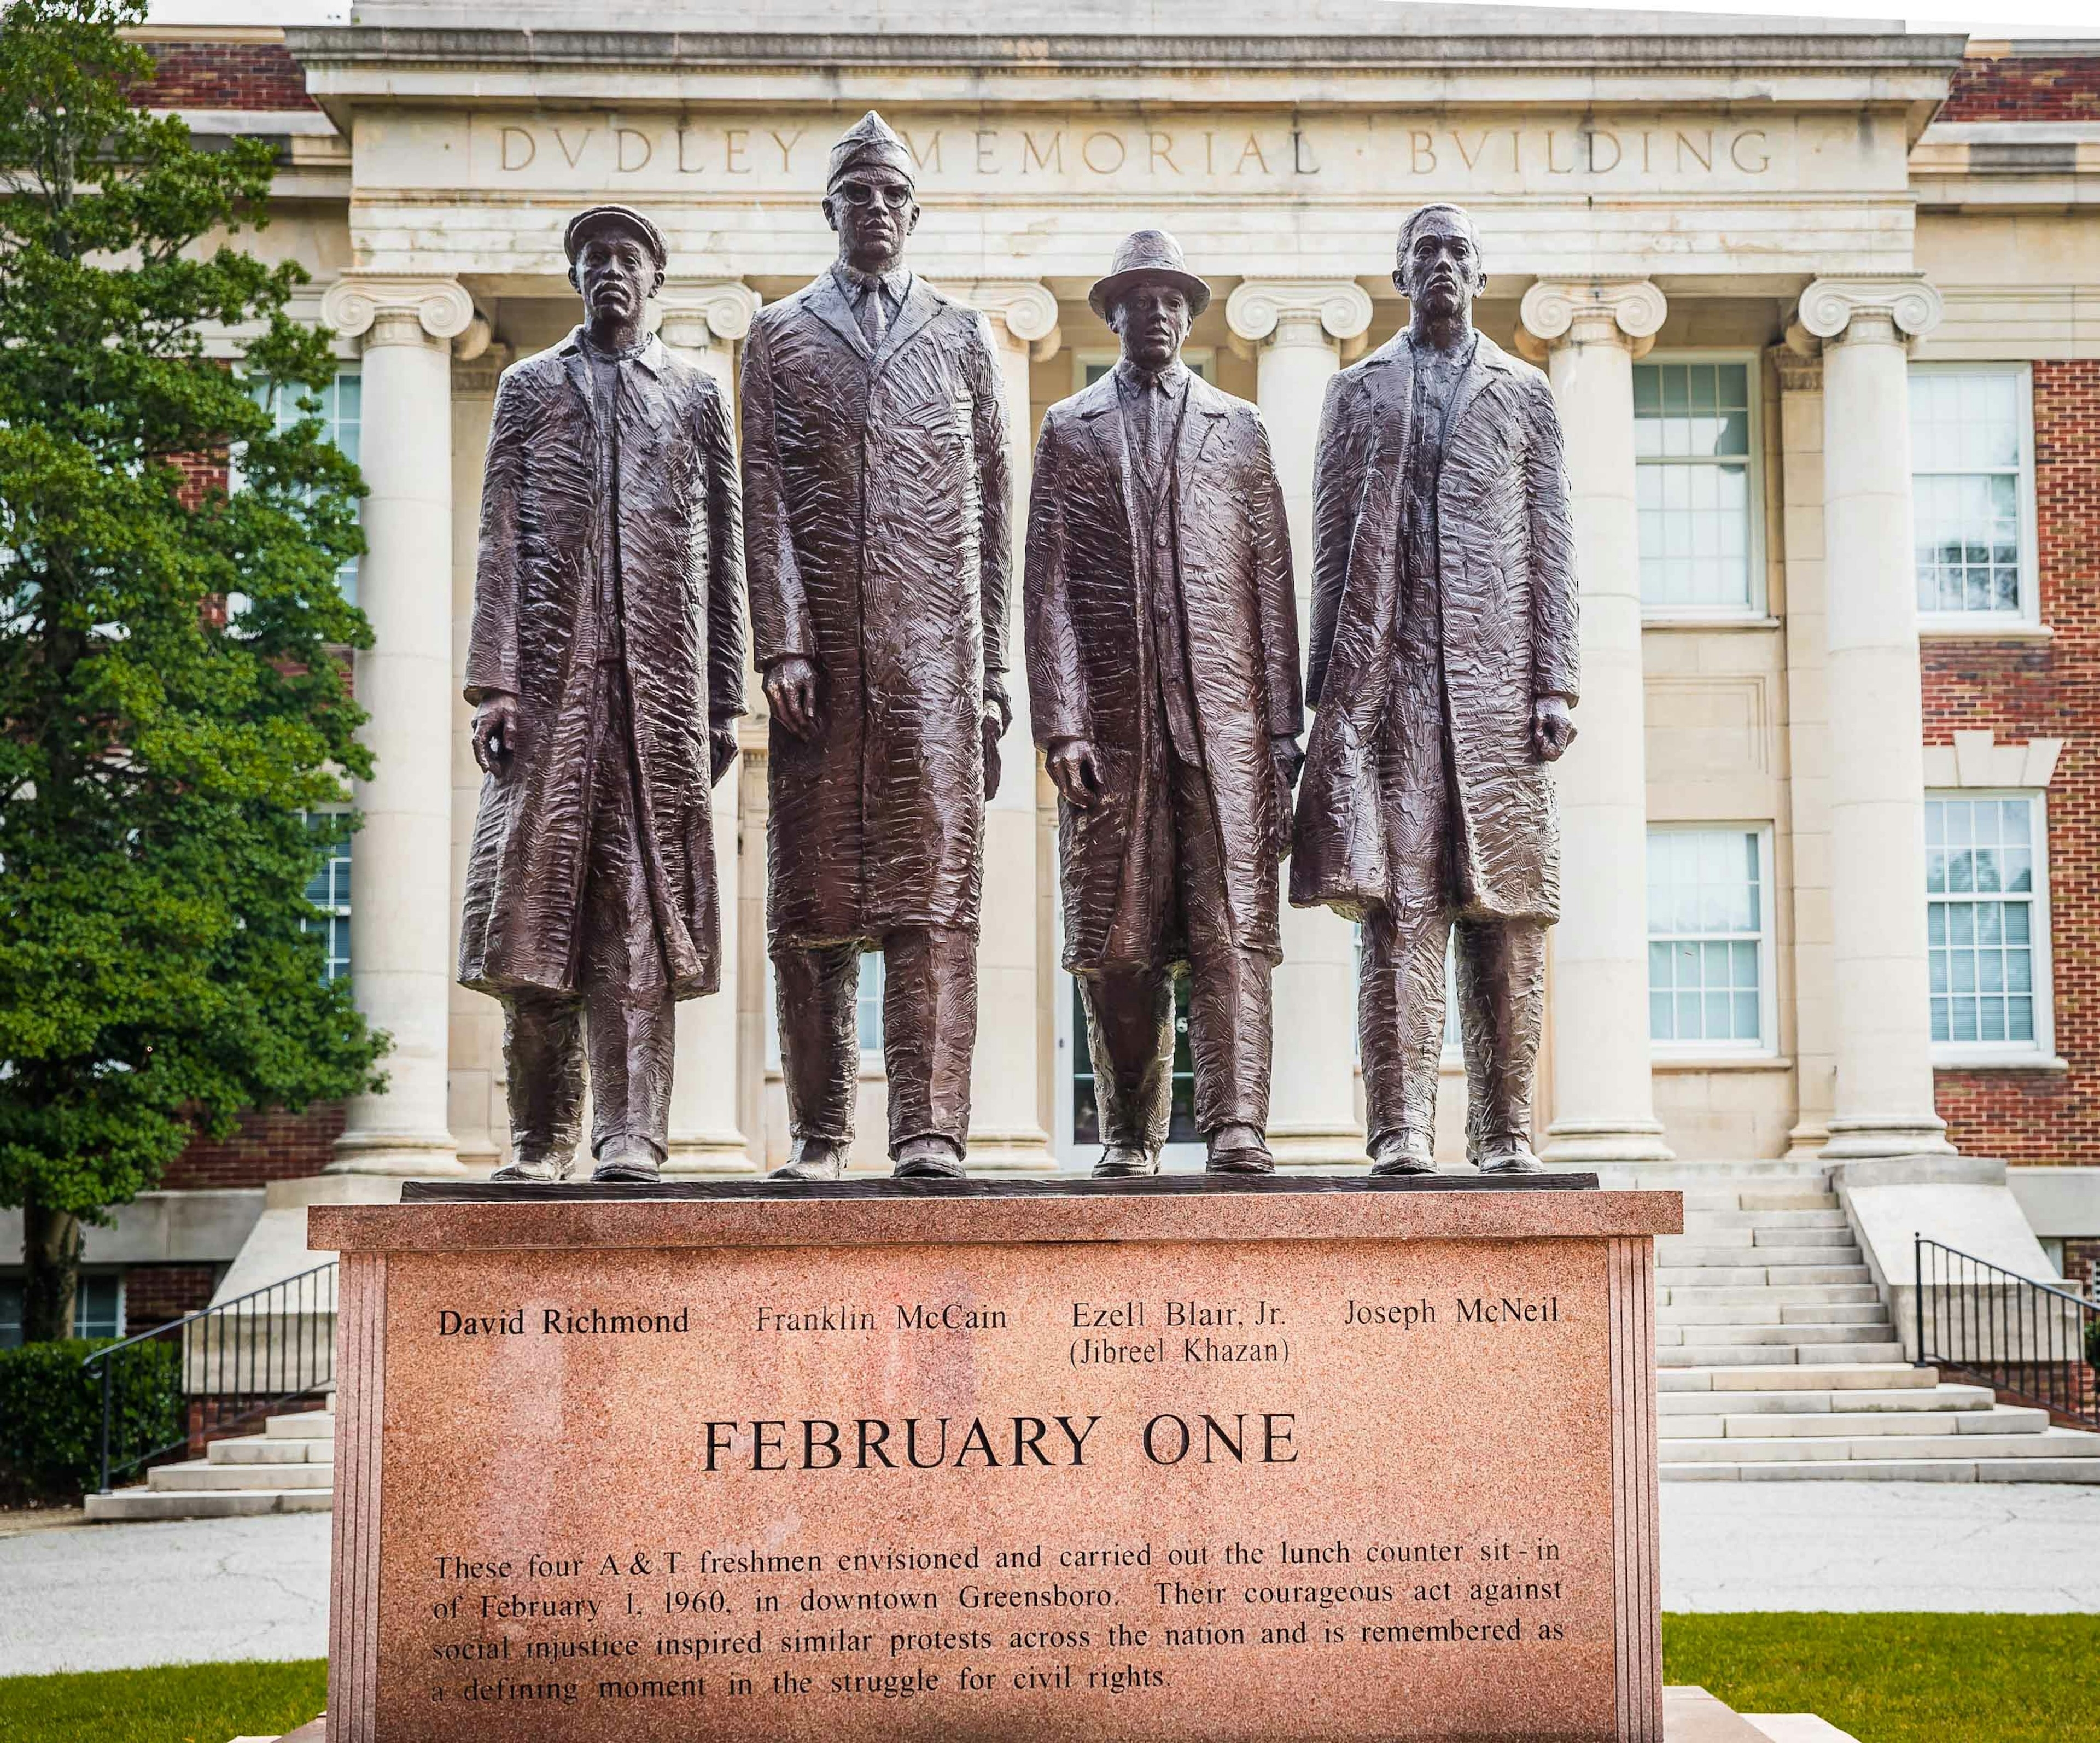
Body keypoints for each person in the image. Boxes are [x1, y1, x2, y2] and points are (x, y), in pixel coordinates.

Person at [742, 111, 1013, 1181]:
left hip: (935, 671)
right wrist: (782, 645)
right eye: (859, 194)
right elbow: (761, 492)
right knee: (812, 914)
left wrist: (993, 676)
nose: (878, 212)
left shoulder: (959, 336)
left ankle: (929, 1131)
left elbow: (995, 513)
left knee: (933, 908)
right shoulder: (778, 334)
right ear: (833, 210)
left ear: (914, 211)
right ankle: (819, 1136)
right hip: (823, 674)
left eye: (895, 195)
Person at [1291, 201, 1580, 1175]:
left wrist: (1558, 682)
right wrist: (1323, 698)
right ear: (1401, 273)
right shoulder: (1357, 391)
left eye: (1460, 251)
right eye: (1427, 252)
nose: (1444, 264)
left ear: (1480, 275)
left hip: (1501, 697)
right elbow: (1331, 542)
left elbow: (1552, 543)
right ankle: (1399, 1129)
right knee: (1398, 912)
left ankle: (1504, 1132)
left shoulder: (1527, 393)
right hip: (1390, 689)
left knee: (1509, 919)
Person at [459, 203, 746, 1184]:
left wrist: (721, 702)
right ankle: (540, 1140)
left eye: (628, 258)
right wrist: (493, 685)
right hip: (549, 698)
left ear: (655, 278)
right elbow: (499, 538)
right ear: (576, 276)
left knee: (638, 919)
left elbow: (725, 562)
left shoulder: (697, 398)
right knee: (534, 920)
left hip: (657, 702)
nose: (612, 272)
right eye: (595, 259)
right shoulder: (529, 390)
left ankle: (632, 1135)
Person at [1025, 229, 1304, 1176]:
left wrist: (1280, 730)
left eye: (1173, 299)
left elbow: (1272, 584)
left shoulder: (1240, 426)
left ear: (1190, 314)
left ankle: (1236, 1125)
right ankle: (1130, 1137)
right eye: (1139, 300)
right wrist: (1060, 721)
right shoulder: (1069, 429)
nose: (1158, 314)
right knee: (1119, 939)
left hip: (1224, 732)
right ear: (1112, 314)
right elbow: (1049, 583)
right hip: (1113, 732)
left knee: (1235, 931)